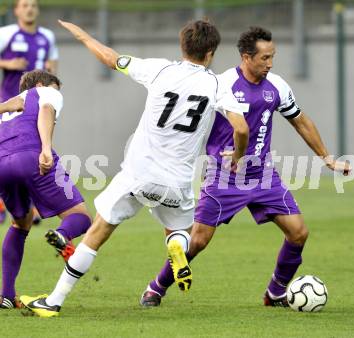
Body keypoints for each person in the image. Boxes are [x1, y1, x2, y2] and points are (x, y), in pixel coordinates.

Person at [20, 19, 249, 317]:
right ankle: (177, 246)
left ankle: (54, 301)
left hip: (139, 172)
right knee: (180, 230)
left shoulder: (159, 69)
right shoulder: (218, 84)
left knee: (97, 232)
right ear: (211, 53)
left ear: (183, 47)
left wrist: (81, 34)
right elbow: (241, 128)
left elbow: (110, 58)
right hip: (177, 180)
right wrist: (238, 155)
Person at [141, 26, 351, 308]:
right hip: (223, 174)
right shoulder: (221, 84)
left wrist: (327, 158)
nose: (270, 63)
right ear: (246, 57)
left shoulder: (277, 86)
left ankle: (275, 293)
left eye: (272, 57)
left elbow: (300, 120)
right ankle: (156, 288)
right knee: (199, 240)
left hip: (262, 175)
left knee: (298, 232)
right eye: (265, 58)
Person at [0, 70, 91, 309]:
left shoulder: (9, 105)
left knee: (21, 223)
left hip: (1, 164)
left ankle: (7, 295)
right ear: (41, 84)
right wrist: (47, 149)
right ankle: (62, 234)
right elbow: (46, 110)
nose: (57, 94)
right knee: (80, 216)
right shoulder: (46, 91)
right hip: (32, 157)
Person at [0, 0, 59, 225]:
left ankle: (29, 206)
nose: (29, 8)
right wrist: (7, 63)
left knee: (33, 153)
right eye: (24, 5)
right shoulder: (7, 34)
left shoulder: (47, 36)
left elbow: (53, 64)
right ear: (16, 10)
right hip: (7, 106)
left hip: (34, 106)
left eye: (33, 5)